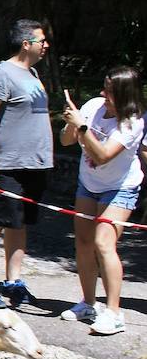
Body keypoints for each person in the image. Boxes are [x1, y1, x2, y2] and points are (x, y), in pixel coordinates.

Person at [0, 19, 54, 308]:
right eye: (42, 41)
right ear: (26, 44)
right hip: (8, 163)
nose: (46, 46)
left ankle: (13, 281)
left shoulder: (33, 73)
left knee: (20, 223)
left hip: (34, 164)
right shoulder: (1, 74)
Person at [59, 66, 144, 335]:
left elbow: (103, 155)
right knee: (83, 243)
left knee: (103, 243)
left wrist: (82, 126)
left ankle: (114, 313)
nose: (101, 93)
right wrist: (71, 124)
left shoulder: (134, 122)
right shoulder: (94, 105)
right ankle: (88, 303)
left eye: (108, 90)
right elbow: (65, 141)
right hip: (89, 183)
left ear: (123, 94)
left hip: (120, 188)